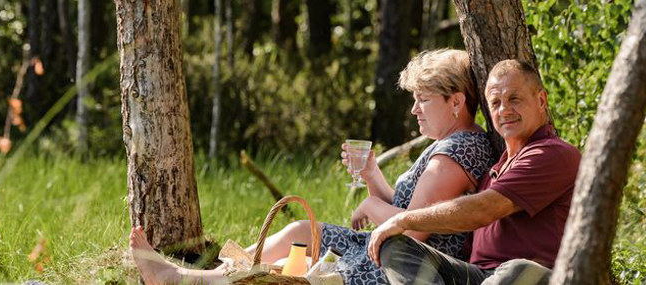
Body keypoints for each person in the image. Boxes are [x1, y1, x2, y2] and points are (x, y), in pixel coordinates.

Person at [129, 49, 496, 285]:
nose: (414, 109)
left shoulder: (454, 153)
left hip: (397, 267)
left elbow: (414, 232)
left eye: (423, 100)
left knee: (295, 258)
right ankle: (203, 276)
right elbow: (407, 210)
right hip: (382, 248)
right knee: (299, 234)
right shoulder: (451, 145)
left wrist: (370, 205)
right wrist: (372, 176)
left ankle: (186, 279)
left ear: (456, 101)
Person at [366, 59, 582, 285]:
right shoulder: (495, 169)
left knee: (518, 269)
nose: (504, 110)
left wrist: (405, 219)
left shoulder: (554, 154)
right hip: (475, 276)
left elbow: (484, 209)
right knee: (396, 245)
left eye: (514, 99)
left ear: (541, 100)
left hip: (525, 276)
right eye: (495, 102)